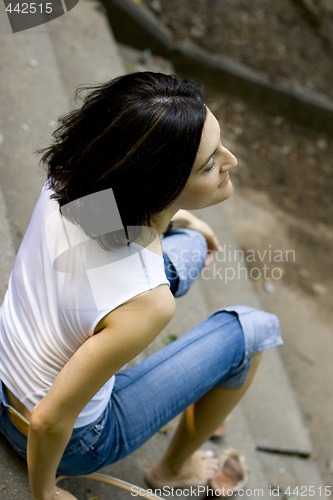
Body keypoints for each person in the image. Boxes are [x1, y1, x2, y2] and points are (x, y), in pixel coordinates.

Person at [0, 71, 282, 500]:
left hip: (7, 372)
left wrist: (177, 217)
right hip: (64, 436)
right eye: (210, 164)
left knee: (190, 242)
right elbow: (49, 421)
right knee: (254, 330)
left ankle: (199, 385)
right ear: (158, 185)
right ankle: (172, 470)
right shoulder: (149, 305)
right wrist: (44, 494)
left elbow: (117, 230)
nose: (232, 161)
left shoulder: (71, 180)